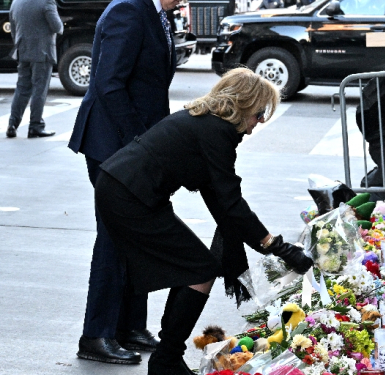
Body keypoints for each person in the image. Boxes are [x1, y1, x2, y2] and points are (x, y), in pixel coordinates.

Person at [94, 68, 313, 374]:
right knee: (199, 267)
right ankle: (166, 358)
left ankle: (166, 356)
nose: (258, 124)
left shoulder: (209, 124)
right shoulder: (217, 131)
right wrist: (275, 245)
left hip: (125, 189)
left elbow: (219, 196)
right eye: (260, 113)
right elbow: (229, 201)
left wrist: (267, 242)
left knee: (197, 266)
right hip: (129, 196)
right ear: (245, 105)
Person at [67, 0, 180, 365]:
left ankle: (129, 325)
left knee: (136, 233)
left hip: (132, 143)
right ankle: (97, 334)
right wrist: (140, 144)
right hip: (113, 144)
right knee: (115, 236)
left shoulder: (155, 13)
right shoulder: (128, 10)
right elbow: (108, 84)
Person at [6, 0, 63, 138]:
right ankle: (35, 126)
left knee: (22, 88)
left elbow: (13, 30)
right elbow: (57, 27)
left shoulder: (16, 2)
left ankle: (12, 125)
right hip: (42, 52)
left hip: (22, 50)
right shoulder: (46, 2)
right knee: (39, 89)